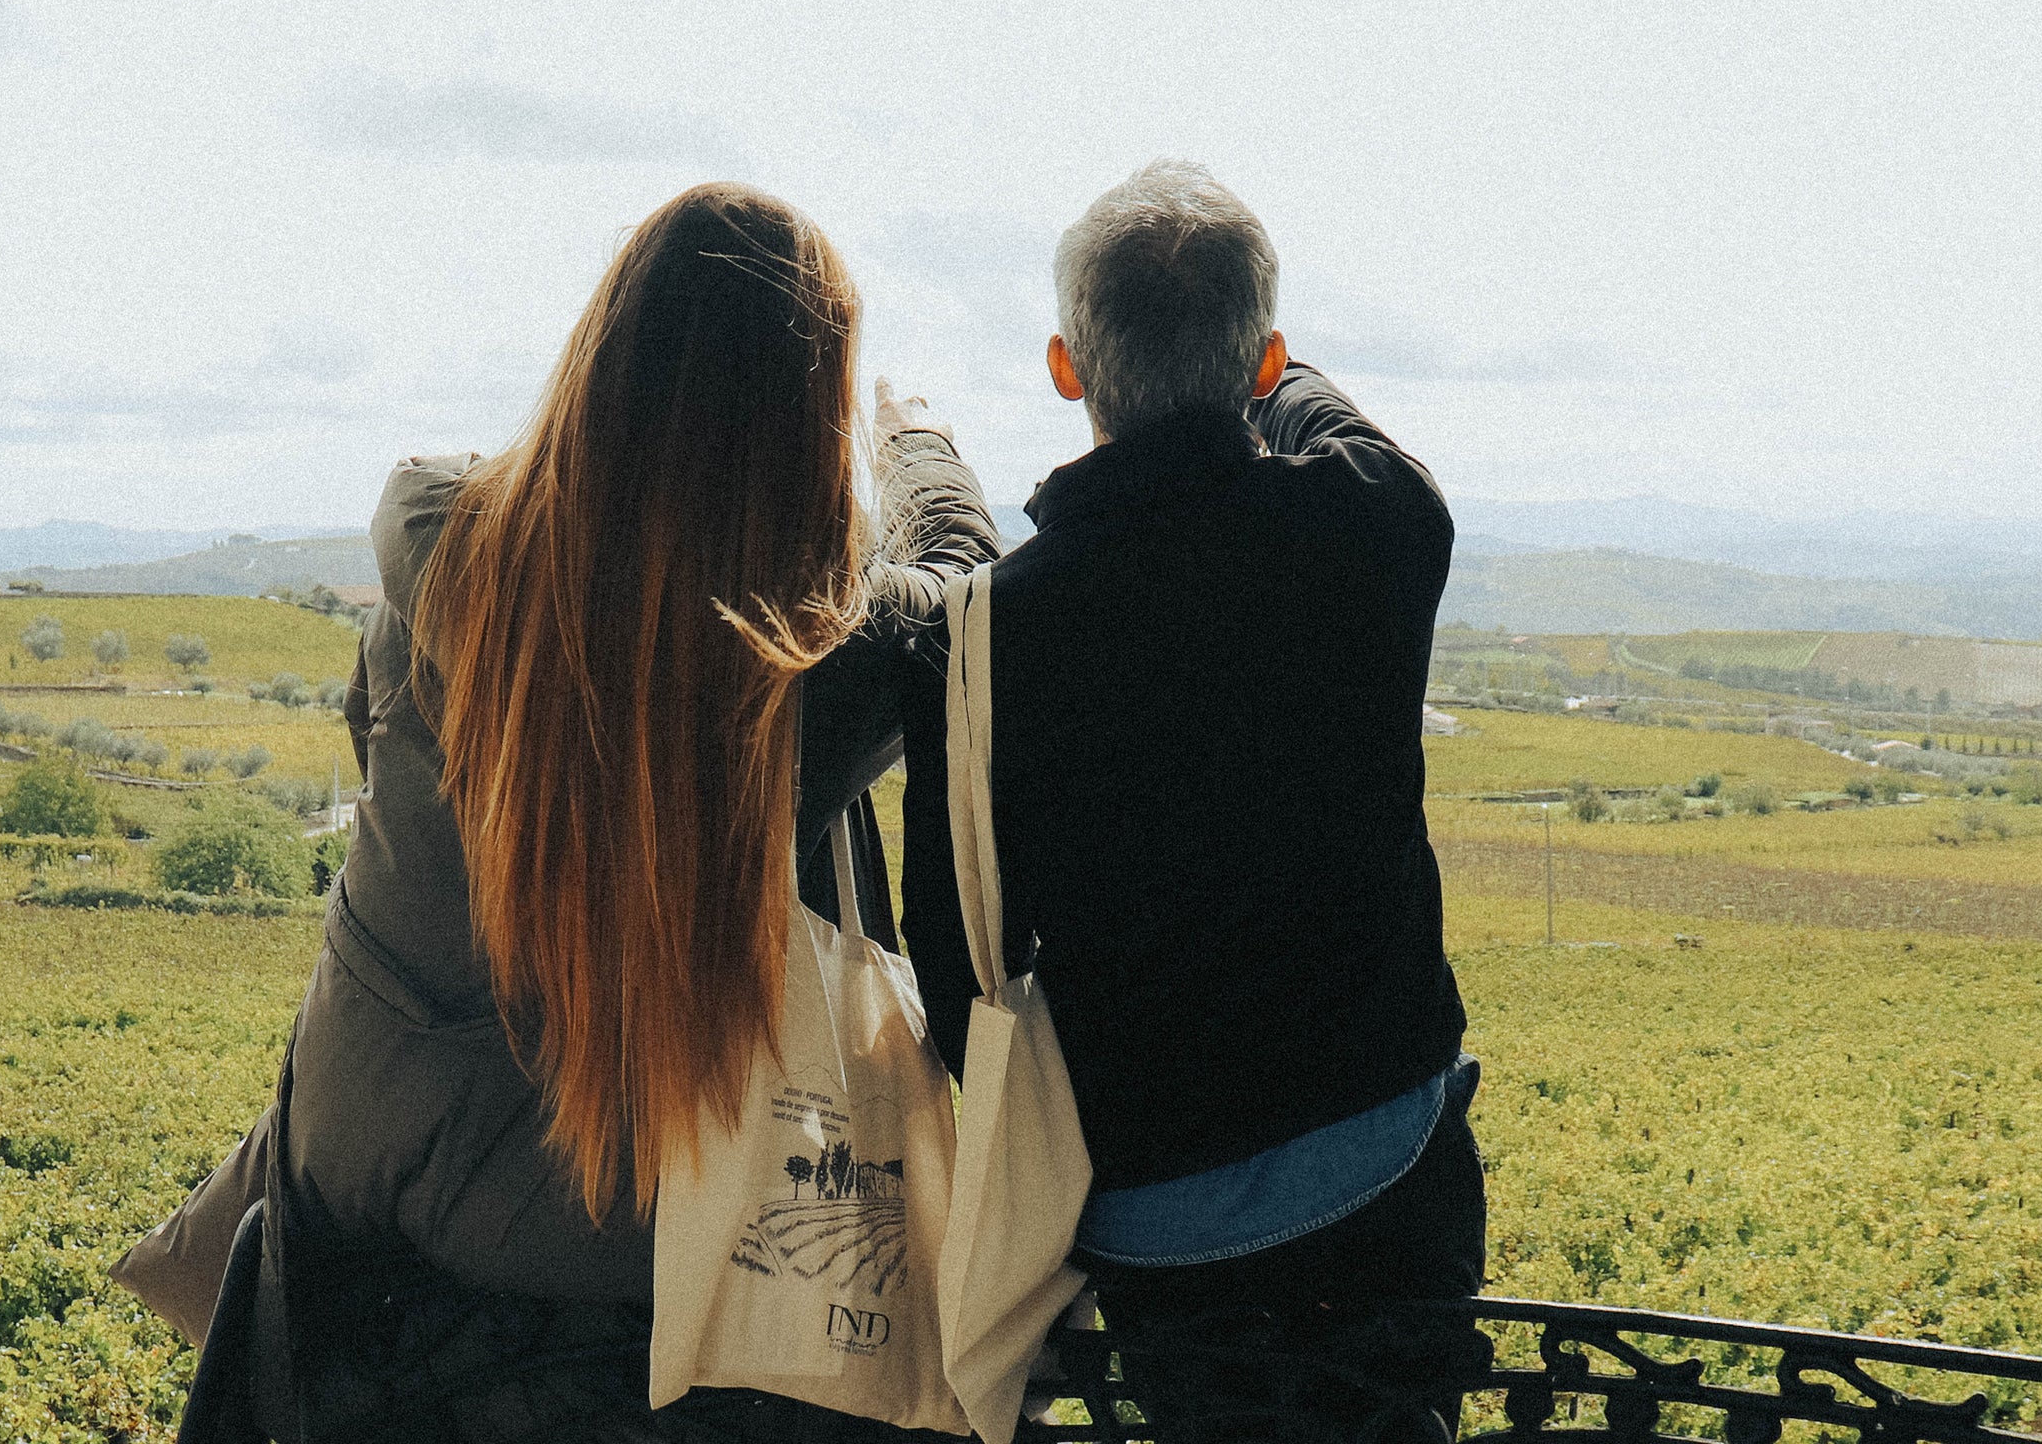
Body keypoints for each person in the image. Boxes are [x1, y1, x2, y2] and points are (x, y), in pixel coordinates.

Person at [117, 182, 995, 1443]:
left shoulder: (442, 552)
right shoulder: (813, 663)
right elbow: (963, 597)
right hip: (627, 1226)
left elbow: (374, 735)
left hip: (362, 1156)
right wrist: (919, 451)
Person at [898, 161, 1484, 1439]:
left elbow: (949, 954)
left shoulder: (991, 630)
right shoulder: (1380, 521)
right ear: (1263, 355)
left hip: (1153, 1206)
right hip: (1386, 1150)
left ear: (1066, 368)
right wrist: (1273, 369)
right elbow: (1339, 427)